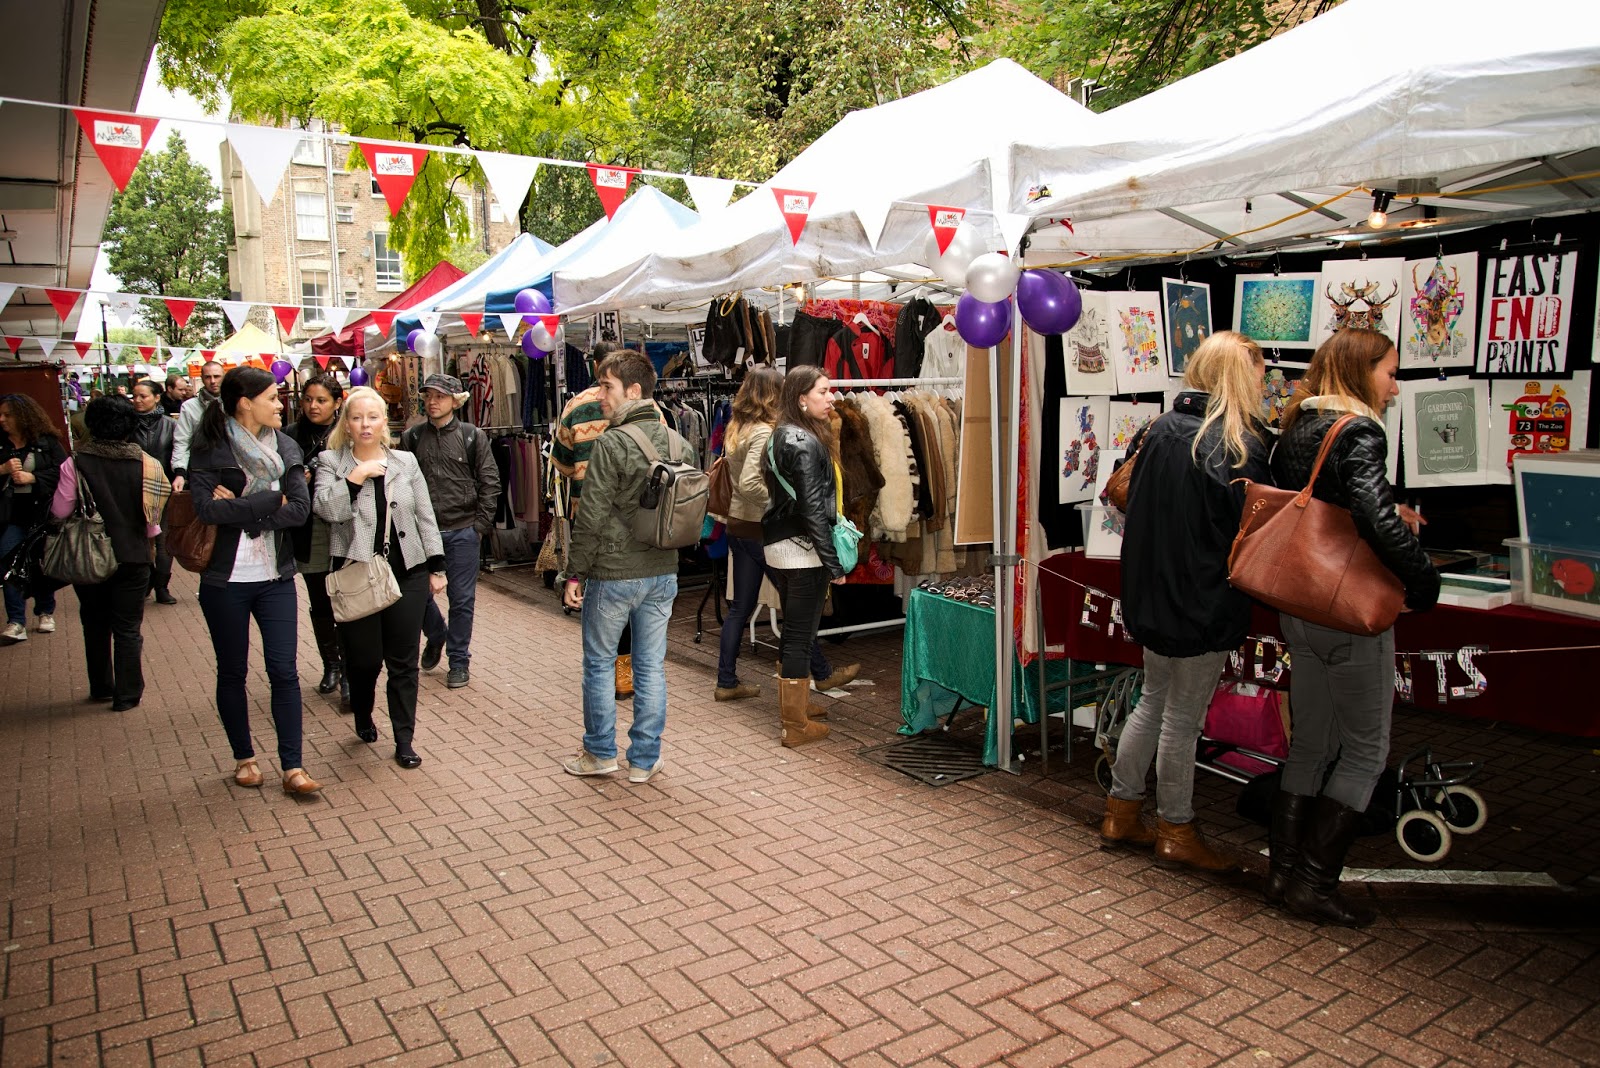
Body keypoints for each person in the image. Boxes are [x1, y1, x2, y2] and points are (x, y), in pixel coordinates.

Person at [1269, 328, 1439, 927]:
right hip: (1348, 611)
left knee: (1313, 744)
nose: (1395, 385)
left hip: (1300, 605)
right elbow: (1366, 511)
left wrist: (1388, 511)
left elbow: (1329, 505)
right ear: (1360, 371)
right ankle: (1313, 884)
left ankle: (1283, 873)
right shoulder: (1359, 430)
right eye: (1390, 372)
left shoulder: (1297, 425)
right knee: (1365, 751)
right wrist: (1423, 583)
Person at [1099, 331, 1272, 872]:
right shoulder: (1238, 442)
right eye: (1260, 370)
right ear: (1241, 376)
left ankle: (1121, 812)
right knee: (1180, 716)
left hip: (1153, 591)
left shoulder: (1160, 428)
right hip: (1203, 598)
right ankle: (1176, 825)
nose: (1266, 379)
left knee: (1153, 700)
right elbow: (1255, 528)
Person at [189, 367, 320, 795]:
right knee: (233, 672)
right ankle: (244, 758)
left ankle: (292, 767)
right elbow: (207, 511)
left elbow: (300, 509)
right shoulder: (210, 446)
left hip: (275, 577)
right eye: (273, 398)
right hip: (224, 581)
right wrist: (267, 501)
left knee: (284, 670)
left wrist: (243, 509)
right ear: (246, 403)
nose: (282, 404)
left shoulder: (286, 445)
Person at [560, 349, 688, 783]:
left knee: (599, 664)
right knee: (650, 666)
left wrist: (574, 573)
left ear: (634, 391)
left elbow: (590, 513)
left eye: (607, 386)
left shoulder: (612, 443)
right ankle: (645, 760)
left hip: (614, 573)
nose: (600, 394)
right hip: (663, 571)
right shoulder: (678, 442)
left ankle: (600, 753)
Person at [314, 387, 446, 770]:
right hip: (356, 575)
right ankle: (362, 713)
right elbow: (326, 509)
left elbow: (425, 515)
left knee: (403, 661)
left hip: (407, 572)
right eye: (357, 418)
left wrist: (436, 567)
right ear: (347, 423)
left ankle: (404, 738)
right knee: (365, 661)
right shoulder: (331, 461)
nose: (365, 424)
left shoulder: (404, 461)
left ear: (383, 420)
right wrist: (354, 478)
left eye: (373, 417)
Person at [715, 368, 858, 703]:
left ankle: (729, 680)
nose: (829, 398)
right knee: (797, 623)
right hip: (770, 532)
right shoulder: (776, 433)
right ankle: (803, 700)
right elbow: (760, 485)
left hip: (748, 528)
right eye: (822, 392)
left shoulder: (742, 426)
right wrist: (780, 505)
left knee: (752, 610)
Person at [48, 396, 171, 709]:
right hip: (134, 556)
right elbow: (153, 520)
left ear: (92, 425)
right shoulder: (148, 464)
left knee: (94, 622)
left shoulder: (75, 463)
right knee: (128, 628)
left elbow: (61, 509)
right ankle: (128, 695)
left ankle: (101, 685)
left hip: (88, 556)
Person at [760, 367, 847, 748]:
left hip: (781, 546)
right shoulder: (806, 442)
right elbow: (813, 509)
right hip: (803, 551)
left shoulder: (779, 435)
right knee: (799, 634)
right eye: (823, 392)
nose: (831, 399)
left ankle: (796, 707)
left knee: (796, 631)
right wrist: (834, 563)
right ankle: (793, 725)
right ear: (801, 398)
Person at [401, 374, 499, 690]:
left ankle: (458, 661)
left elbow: (490, 482)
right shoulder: (412, 438)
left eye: (440, 396)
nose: (432, 401)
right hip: (422, 532)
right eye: (428, 395)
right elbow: (401, 487)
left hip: (462, 530)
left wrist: (478, 528)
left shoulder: (473, 437)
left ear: (456, 401)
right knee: (415, 593)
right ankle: (436, 633)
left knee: (462, 599)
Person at [553, 340, 638, 699]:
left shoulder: (576, 405)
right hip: (636, 521)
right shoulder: (647, 410)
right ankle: (626, 671)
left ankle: (610, 670)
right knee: (634, 595)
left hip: (588, 514)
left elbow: (561, 462)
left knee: (603, 596)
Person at [287, 375, 345, 699]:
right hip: (309, 527)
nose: (313, 406)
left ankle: (349, 668)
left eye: (321, 400)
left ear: (337, 402)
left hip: (344, 526)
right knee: (320, 599)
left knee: (348, 598)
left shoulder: (346, 434)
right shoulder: (290, 436)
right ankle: (331, 663)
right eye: (308, 399)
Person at [1, 394, 68, 643]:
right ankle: (16, 620)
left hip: (42, 513)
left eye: (8, 414)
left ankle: (45, 611)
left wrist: (35, 478)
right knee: (8, 563)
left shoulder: (47, 442)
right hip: (10, 515)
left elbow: (64, 471)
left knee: (41, 562)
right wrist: (3, 470)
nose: (2, 419)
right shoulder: (1, 443)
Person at [131, 379, 178, 605]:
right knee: (140, 539)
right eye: (135, 396)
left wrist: (180, 475)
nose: (138, 400)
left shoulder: (170, 425)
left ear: (157, 397)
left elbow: (178, 454)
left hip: (163, 488)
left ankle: (162, 586)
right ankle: (145, 582)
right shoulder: (127, 424)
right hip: (134, 489)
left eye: (143, 396)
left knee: (163, 539)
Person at [171, 359, 225, 488]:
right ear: (202, 378)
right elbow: (182, 440)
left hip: (231, 469)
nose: (213, 381)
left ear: (224, 377)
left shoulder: (236, 403)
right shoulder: (189, 407)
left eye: (216, 376)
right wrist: (180, 472)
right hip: (201, 471)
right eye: (208, 377)